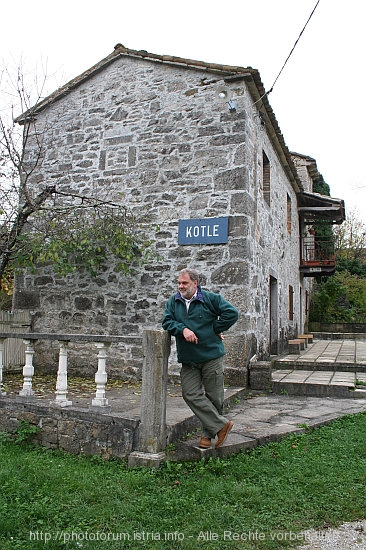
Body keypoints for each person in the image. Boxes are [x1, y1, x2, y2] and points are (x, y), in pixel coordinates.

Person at [162, 268, 238, 449]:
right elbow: (166, 321)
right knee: (190, 393)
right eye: (179, 283)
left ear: (195, 283)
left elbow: (232, 313)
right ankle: (222, 426)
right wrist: (183, 329)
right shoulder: (174, 301)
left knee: (214, 397)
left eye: (184, 283)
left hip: (212, 355)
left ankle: (207, 435)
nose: (180, 286)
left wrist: (214, 328)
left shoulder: (211, 299)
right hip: (189, 359)